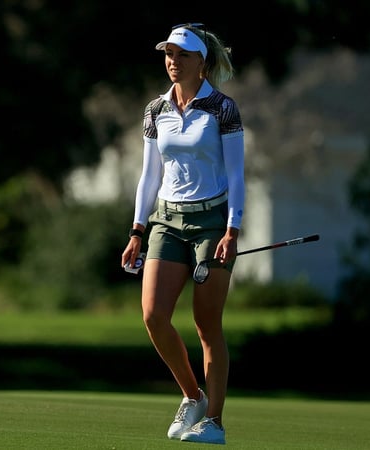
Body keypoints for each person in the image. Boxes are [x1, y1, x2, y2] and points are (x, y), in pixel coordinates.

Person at [121, 23, 244, 445]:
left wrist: (233, 228)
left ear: (201, 62)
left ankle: (214, 422)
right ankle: (192, 397)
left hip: (213, 222)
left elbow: (236, 174)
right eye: (168, 54)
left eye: (182, 55)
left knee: (206, 324)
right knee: (153, 315)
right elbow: (149, 175)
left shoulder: (223, 108)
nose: (173, 61)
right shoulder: (155, 110)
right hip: (166, 222)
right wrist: (137, 229)